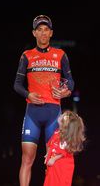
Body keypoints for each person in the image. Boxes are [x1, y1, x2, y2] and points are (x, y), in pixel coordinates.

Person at [14, 15, 75, 186]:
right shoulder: (26, 55)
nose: (43, 33)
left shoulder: (60, 55)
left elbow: (70, 81)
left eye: (46, 29)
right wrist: (28, 95)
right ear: (34, 33)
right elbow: (17, 84)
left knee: (53, 160)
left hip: (54, 113)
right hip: (32, 112)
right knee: (27, 158)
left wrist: (66, 92)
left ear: (51, 33)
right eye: (39, 30)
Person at [43, 110, 86, 186]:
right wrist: (48, 154)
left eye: (63, 115)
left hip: (62, 165)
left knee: (59, 183)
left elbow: (65, 151)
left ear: (65, 124)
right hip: (54, 164)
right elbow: (52, 144)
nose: (61, 115)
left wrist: (54, 158)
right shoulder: (57, 132)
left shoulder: (66, 137)